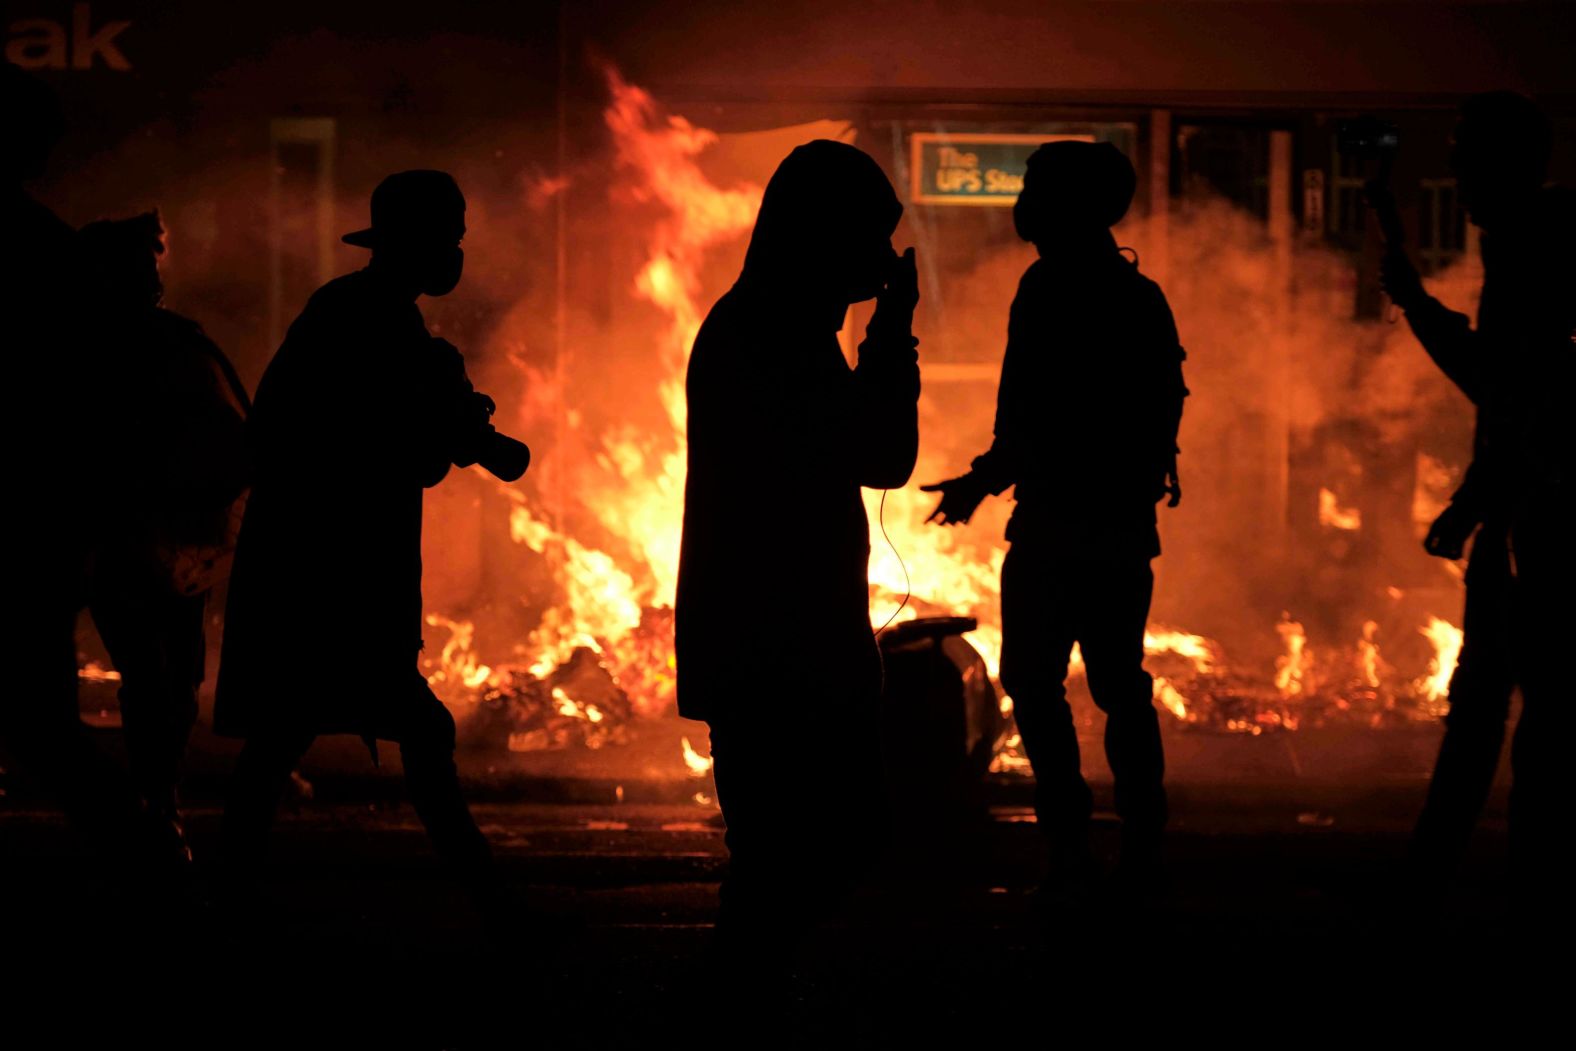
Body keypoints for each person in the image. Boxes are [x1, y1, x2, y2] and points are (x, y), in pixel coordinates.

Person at [216, 170, 521, 913]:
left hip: (333, 574)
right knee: (412, 732)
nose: (455, 249)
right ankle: (497, 909)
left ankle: (220, 902)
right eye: (448, 235)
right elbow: (369, 448)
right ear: (416, 241)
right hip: (331, 576)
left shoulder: (368, 315)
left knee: (293, 739)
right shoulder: (366, 320)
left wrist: (446, 420)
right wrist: (443, 424)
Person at [675, 140, 920, 963]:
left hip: (765, 649)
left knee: (790, 864)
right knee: (818, 853)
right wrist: (891, 345)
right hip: (779, 653)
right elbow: (883, 456)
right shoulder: (776, 336)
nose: (884, 261)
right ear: (825, 234)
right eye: (871, 239)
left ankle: (736, 1011)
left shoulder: (771, 325)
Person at [923, 141, 1187, 886]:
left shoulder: (1050, 290)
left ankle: (1076, 835)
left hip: (1063, 526)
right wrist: (987, 478)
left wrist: (983, 480)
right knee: (1110, 684)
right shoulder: (1137, 296)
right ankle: (1133, 835)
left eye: (1039, 189)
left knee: (1043, 683)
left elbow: (1038, 418)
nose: (1026, 204)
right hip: (1114, 530)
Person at [1379, 92, 1575, 905]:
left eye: (1466, 157)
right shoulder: (1530, 240)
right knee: (1482, 704)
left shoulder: (1543, 245)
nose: (1454, 174)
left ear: (1509, 163)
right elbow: (1511, 395)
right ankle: (1431, 882)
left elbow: (1515, 390)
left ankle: (1526, 891)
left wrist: (1417, 304)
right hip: (1520, 516)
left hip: (1551, 524)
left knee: (1534, 717)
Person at [1, 62, 170, 870]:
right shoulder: (42, 250)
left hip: (28, 527)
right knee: (41, 724)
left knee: (39, 725)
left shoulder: (38, 251)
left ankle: (149, 857)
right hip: (38, 529)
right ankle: (151, 858)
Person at [78, 212, 250, 859]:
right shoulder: (88, 349)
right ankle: (146, 813)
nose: (150, 275)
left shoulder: (178, 343)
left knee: (172, 681)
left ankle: (157, 801)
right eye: (138, 262)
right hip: (120, 538)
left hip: (176, 542)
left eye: (153, 260)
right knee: (153, 677)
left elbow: (232, 440)